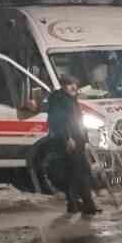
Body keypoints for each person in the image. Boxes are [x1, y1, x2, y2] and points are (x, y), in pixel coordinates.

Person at [46, 74, 99, 216]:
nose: (74, 87)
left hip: (77, 140)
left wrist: (85, 138)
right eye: (70, 85)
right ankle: (86, 205)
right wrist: (67, 138)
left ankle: (75, 204)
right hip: (68, 142)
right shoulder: (58, 99)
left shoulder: (71, 99)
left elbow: (78, 121)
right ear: (63, 86)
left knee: (75, 173)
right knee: (80, 172)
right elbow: (59, 122)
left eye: (75, 84)